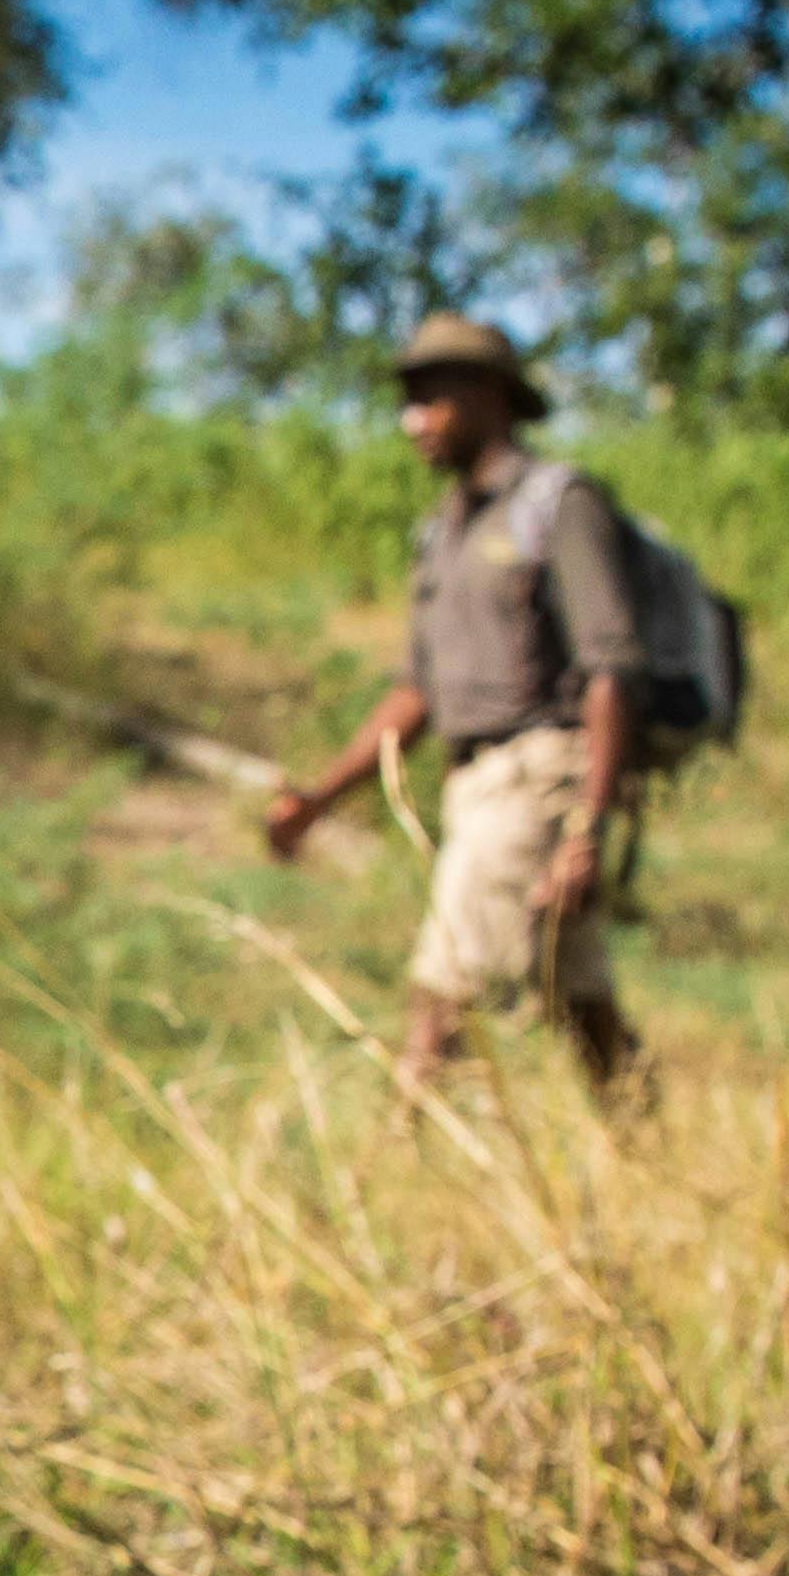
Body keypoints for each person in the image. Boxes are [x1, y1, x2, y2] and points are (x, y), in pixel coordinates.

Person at [259, 311, 655, 1097]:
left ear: (488, 396)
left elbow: (610, 668)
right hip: (473, 784)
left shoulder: (558, 503)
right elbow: (417, 694)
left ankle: (403, 1146)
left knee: (444, 991)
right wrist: (320, 800)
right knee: (577, 999)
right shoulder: (440, 535)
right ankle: (645, 1138)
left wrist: (586, 826)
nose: (412, 422)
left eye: (429, 399)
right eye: (407, 403)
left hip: (541, 776)